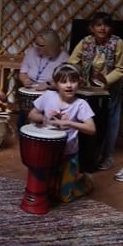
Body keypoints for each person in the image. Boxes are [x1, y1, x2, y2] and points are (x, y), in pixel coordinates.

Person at [26, 63, 96, 203]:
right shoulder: (48, 96)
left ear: (79, 83)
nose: (69, 85)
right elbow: (32, 114)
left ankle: (85, 181)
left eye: (73, 81)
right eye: (64, 82)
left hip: (68, 154)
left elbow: (91, 129)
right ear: (56, 84)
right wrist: (45, 119)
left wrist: (69, 123)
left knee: (64, 197)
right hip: (48, 153)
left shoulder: (80, 104)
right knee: (47, 191)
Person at [68, 12, 123, 171]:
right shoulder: (85, 42)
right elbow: (72, 62)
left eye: (106, 25)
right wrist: (77, 76)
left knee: (110, 122)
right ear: (91, 28)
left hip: (109, 89)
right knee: (87, 120)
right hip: (88, 89)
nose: (102, 28)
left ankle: (107, 156)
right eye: (98, 25)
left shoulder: (117, 43)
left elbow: (121, 69)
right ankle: (85, 154)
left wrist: (105, 80)